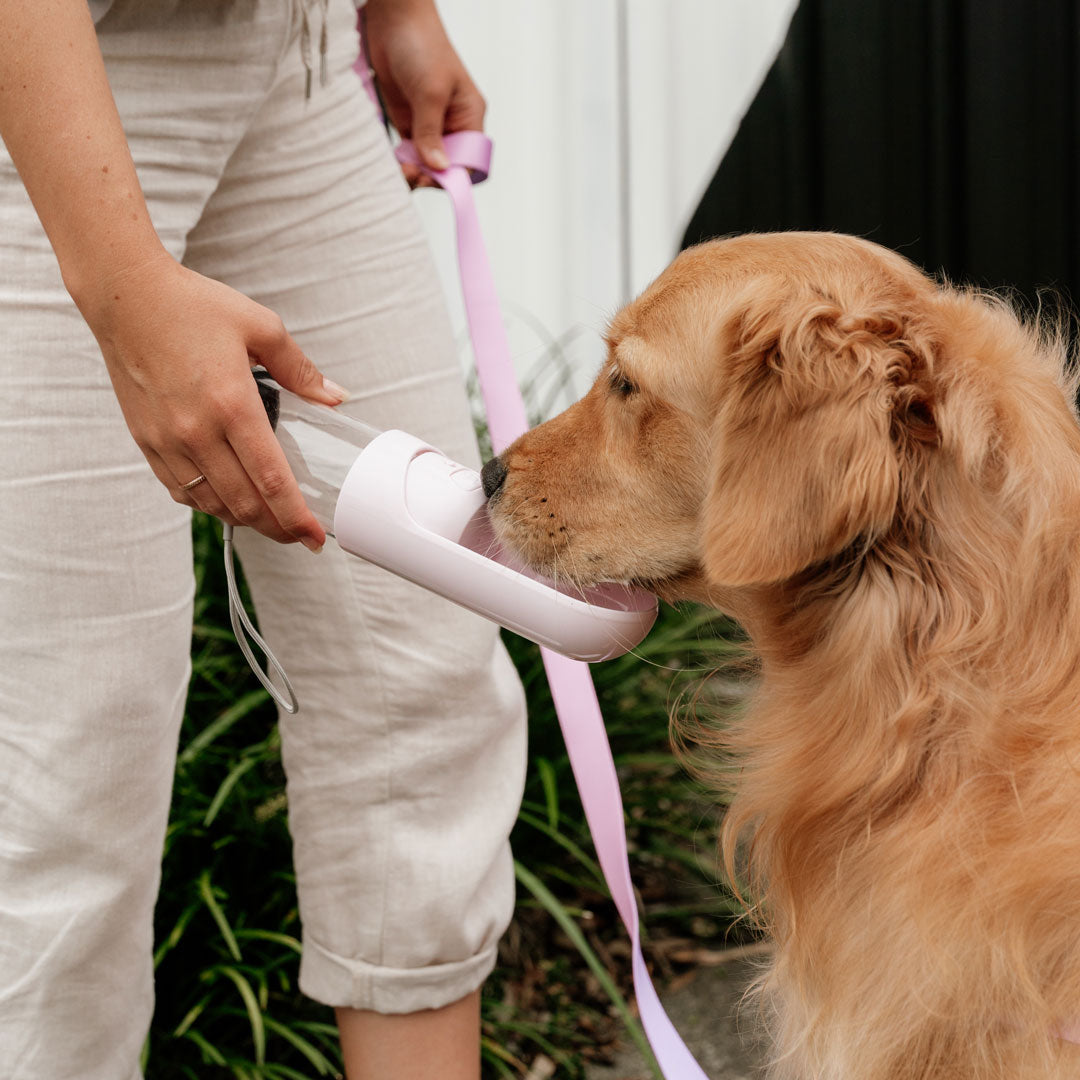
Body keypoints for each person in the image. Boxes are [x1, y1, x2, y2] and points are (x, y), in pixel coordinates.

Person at [0, 0, 527, 1077]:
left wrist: (397, 9)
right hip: (47, 75)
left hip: (296, 61)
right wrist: (124, 285)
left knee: (419, 686)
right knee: (65, 779)